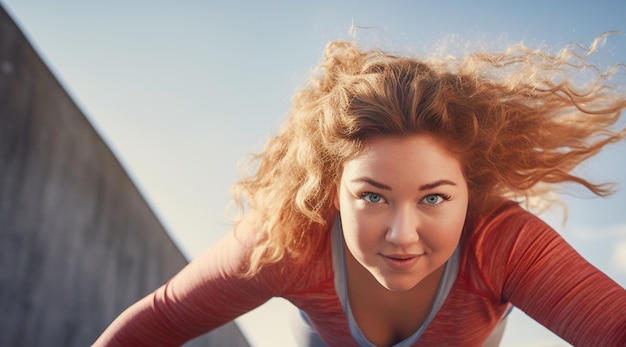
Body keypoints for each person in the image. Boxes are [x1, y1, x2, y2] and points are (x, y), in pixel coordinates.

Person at [94, 34, 626, 346]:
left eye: (434, 198)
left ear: (472, 189)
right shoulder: (286, 242)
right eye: (373, 196)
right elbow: (158, 320)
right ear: (330, 190)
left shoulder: (503, 245)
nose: (402, 234)